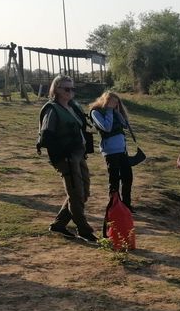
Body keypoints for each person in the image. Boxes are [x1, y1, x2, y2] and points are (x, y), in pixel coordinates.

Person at [39, 75, 97, 242]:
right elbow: (46, 137)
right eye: (66, 88)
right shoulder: (52, 109)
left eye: (72, 88)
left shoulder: (73, 106)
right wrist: (64, 154)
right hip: (66, 158)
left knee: (83, 192)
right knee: (76, 194)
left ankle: (59, 224)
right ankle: (84, 230)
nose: (70, 92)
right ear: (56, 89)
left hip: (79, 154)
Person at [89, 91, 134, 211]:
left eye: (116, 102)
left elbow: (125, 125)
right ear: (105, 100)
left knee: (127, 177)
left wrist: (117, 112)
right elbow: (107, 128)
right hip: (110, 151)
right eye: (112, 102)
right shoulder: (96, 112)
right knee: (114, 180)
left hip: (122, 150)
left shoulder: (115, 111)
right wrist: (109, 110)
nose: (114, 104)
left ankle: (126, 205)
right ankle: (114, 206)